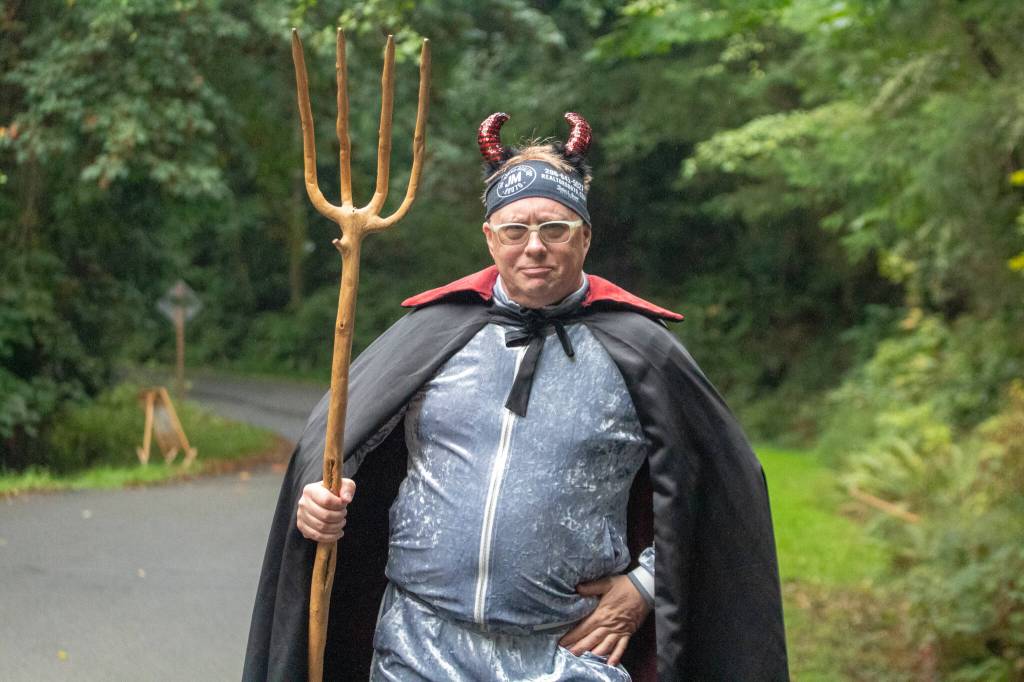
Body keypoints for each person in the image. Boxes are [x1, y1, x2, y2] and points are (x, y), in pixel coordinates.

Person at [243, 113, 788, 681]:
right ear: (489, 238)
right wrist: (320, 498)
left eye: (555, 228)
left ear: (585, 236)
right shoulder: (434, 332)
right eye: (515, 231)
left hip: (566, 653)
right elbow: (341, 445)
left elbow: (721, 491)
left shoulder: (641, 352)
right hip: (420, 641)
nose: (535, 248)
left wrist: (646, 585)